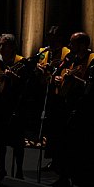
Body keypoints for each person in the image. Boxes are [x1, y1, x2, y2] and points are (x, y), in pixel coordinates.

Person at [54, 31, 94, 187]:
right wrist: (59, 79)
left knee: (85, 149)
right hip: (71, 108)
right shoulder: (72, 59)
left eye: (73, 43)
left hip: (88, 112)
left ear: (83, 45)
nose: (69, 46)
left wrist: (74, 79)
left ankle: (86, 185)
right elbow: (65, 77)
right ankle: (66, 179)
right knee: (68, 145)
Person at [0, 33, 27, 183]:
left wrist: (15, 79)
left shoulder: (21, 61)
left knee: (17, 141)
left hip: (15, 106)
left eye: (5, 45)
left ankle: (19, 172)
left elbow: (27, 86)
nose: (1, 47)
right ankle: (1, 170)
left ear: (12, 46)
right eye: (0, 44)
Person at [35, 25, 71, 172]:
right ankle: (53, 159)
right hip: (47, 92)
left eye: (53, 37)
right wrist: (39, 69)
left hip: (62, 94)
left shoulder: (67, 53)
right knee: (50, 129)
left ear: (60, 38)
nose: (50, 39)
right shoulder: (43, 51)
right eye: (49, 36)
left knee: (60, 129)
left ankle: (61, 160)